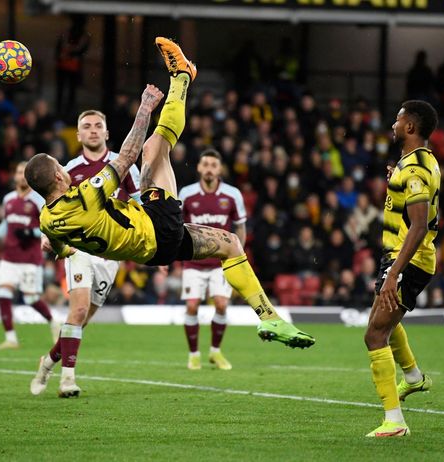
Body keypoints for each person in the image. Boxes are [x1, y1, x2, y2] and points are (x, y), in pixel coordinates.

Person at [25, 37, 315, 396]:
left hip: (149, 249)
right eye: (59, 167)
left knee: (230, 244)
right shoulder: (84, 194)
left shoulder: (47, 219)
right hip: (156, 226)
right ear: (57, 176)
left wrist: (65, 251)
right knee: (153, 145)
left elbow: (52, 247)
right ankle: (182, 77)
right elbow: (127, 155)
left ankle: (270, 319)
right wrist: (145, 107)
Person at [31, 109, 141, 397]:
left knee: (81, 322)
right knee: (77, 311)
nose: (93, 130)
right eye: (86, 127)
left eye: (98, 126)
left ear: (106, 133)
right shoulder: (68, 170)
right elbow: (54, 209)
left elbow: (142, 208)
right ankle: (68, 379)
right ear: (78, 135)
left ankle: (48, 362)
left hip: (111, 254)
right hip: (79, 249)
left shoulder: (124, 166)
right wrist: (47, 234)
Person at [364, 100, 440, 438]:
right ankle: (413, 377)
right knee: (384, 323)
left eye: (398, 119)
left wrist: (394, 272)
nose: (393, 124)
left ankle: (395, 421)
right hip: (398, 257)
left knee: (374, 334)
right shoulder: (419, 161)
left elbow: (420, 225)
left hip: (408, 259)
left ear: (410, 127)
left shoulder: (414, 170)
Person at [178, 149, 246, 371]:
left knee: (221, 304)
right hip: (193, 260)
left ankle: (215, 352)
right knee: (191, 306)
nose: (209, 168)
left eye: (213, 165)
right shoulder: (186, 194)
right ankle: (193, 355)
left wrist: (239, 255)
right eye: (205, 164)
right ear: (198, 167)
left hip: (221, 261)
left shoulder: (232, 195)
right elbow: (176, 227)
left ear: (220, 169)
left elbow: (240, 226)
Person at [0, 162, 61, 350]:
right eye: (18, 172)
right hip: (8, 257)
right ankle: (11, 338)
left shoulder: (39, 201)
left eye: (25, 173)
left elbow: (49, 226)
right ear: (14, 176)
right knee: (3, 293)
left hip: (30, 259)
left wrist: (32, 233)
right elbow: (7, 222)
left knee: (31, 298)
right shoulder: (8, 199)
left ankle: (54, 321)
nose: (21, 176)